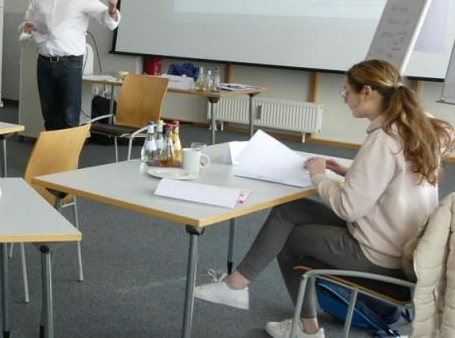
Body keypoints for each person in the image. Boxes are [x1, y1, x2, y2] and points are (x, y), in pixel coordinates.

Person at [192, 60, 454, 338]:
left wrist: (320, 177)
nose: (345, 100)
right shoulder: (416, 129)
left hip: (380, 254)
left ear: (367, 92)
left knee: (290, 242)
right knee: (288, 212)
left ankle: (305, 328)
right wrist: (351, 171)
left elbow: (349, 208)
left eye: (346, 92)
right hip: (404, 243)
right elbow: (395, 178)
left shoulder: (383, 140)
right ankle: (237, 284)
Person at [20, 0, 119, 131]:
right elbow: (27, 22)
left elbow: (107, 20)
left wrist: (112, 8)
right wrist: (27, 28)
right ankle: (52, 157)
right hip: (44, 62)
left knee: (69, 115)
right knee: (49, 114)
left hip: (70, 64)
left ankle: (68, 159)